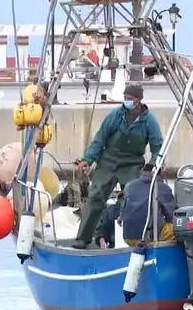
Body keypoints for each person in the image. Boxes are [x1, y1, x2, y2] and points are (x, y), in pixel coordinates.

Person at [73, 84, 164, 249]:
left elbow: (158, 147)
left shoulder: (150, 121)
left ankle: (137, 237)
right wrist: (88, 159)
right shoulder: (115, 115)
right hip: (109, 160)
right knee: (96, 196)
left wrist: (156, 164)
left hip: (133, 163)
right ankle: (83, 238)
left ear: (139, 100)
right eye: (125, 98)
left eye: (130, 99)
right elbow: (99, 139)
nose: (126, 101)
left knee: (135, 198)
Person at [118, 163, 177, 247]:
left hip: (129, 238)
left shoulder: (129, 186)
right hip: (150, 236)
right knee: (179, 229)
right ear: (162, 170)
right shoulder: (162, 188)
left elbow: (122, 214)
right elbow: (171, 216)